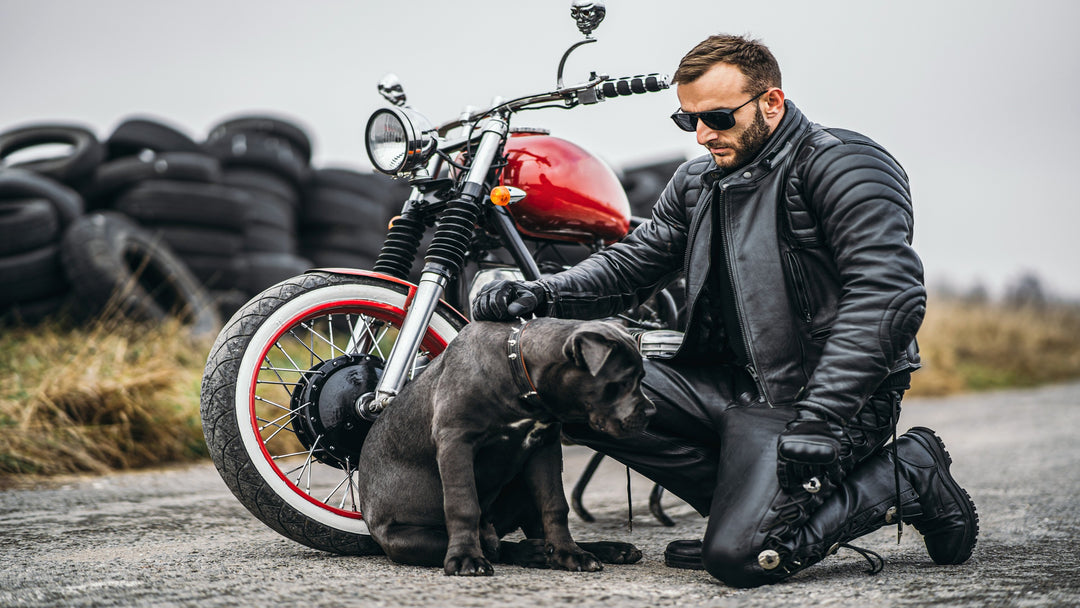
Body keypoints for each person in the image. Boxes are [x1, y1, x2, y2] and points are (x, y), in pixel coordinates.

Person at [471, 34, 978, 587]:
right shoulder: (696, 181)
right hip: (728, 385)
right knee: (569, 383)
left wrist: (824, 416)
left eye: (718, 116)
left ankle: (911, 473)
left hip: (821, 398)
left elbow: (888, 295)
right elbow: (632, 264)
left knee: (739, 558)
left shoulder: (843, 164)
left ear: (771, 102)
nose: (703, 133)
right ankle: (756, 509)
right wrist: (543, 293)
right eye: (687, 119)